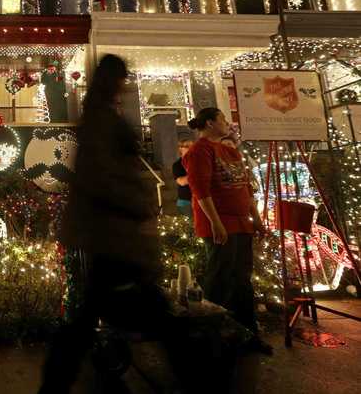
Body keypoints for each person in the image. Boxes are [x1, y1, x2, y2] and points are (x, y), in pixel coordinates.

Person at [38, 55, 190, 393]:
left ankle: (55, 382)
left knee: (89, 316)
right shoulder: (102, 121)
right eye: (123, 79)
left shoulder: (98, 116)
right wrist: (138, 206)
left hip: (106, 232)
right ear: (114, 81)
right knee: (155, 314)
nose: (125, 86)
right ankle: (197, 377)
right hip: (114, 233)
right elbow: (106, 177)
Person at [183, 107, 272, 355]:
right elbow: (200, 190)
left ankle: (247, 333)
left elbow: (246, 188)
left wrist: (255, 218)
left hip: (242, 223)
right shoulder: (199, 151)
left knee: (243, 279)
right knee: (220, 278)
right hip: (221, 225)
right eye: (223, 118)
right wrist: (216, 222)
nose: (227, 123)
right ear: (210, 123)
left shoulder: (230, 151)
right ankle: (213, 336)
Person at [173, 139, 194, 218]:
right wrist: (197, 174)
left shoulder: (198, 161)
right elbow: (181, 182)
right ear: (180, 148)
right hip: (186, 201)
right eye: (187, 146)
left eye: (193, 146)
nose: (191, 148)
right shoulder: (177, 165)